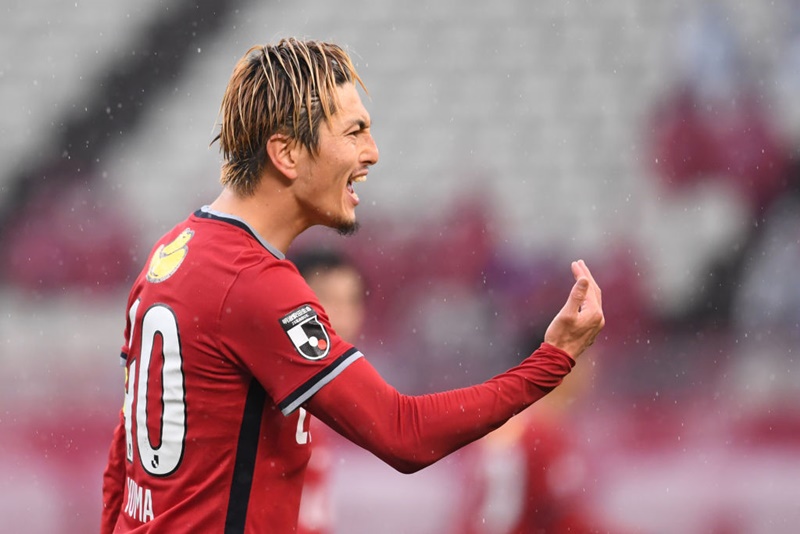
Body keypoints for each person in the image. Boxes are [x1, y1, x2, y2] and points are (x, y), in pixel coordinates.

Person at [100, 37, 605, 533]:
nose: (373, 153)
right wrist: (552, 360)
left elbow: (121, 464)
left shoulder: (171, 252)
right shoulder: (253, 281)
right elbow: (403, 434)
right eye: (354, 132)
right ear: (286, 154)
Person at [291, 247, 367, 534]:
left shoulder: (322, 394)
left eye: (352, 301)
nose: (342, 316)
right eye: (328, 299)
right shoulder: (270, 394)